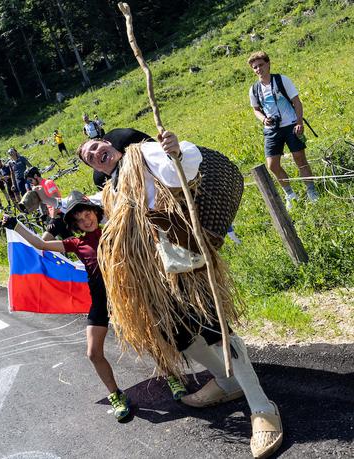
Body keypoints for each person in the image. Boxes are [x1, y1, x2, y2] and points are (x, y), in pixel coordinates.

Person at [57, 128, 282, 459]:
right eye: (89, 157)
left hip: (181, 257)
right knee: (177, 334)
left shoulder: (142, 155)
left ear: (109, 143)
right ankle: (225, 380)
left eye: (96, 147)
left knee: (212, 326)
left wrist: (175, 152)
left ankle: (262, 407)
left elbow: (182, 173)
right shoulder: (110, 191)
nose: (95, 154)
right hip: (153, 275)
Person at [2, 192, 130, 422]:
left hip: (126, 296)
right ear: (75, 225)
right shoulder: (76, 244)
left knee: (149, 338)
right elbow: (40, 244)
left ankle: (171, 377)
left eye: (88, 214)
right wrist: (15, 225)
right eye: (80, 219)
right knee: (93, 353)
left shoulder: (113, 231)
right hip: (100, 301)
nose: (86, 220)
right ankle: (116, 395)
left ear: (96, 213)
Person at [248, 51, 318, 209]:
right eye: (255, 67)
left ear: (268, 64)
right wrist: (263, 119)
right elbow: (256, 110)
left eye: (261, 65)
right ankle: (290, 195)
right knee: (272, 165)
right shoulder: (254, 89)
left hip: (291, 124)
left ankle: (311, 191)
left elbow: (297, 102)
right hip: (271, 129)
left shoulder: (282, 80)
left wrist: (299, 122)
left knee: (300, 159)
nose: (258, 69)